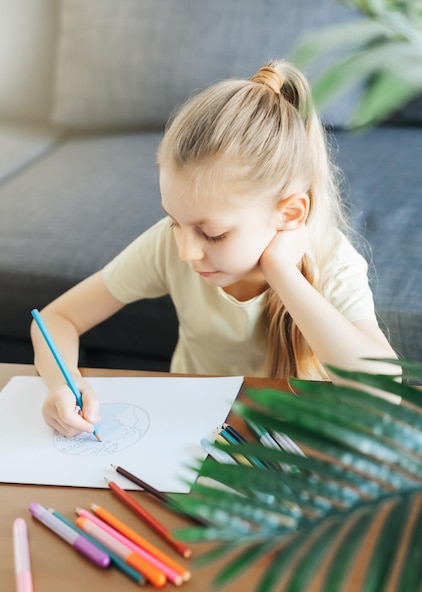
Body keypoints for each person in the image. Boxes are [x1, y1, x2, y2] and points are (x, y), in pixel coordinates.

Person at [31, 59, 399, 437]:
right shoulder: (167, 245)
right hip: (194, 429)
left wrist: (283, 273)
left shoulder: (331, 260)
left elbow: (382, 393)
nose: (187, 251)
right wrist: (63, 384)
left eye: (214, 234)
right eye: (176, 221)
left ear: (289, 213)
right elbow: (57, 320)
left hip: (293, 443)